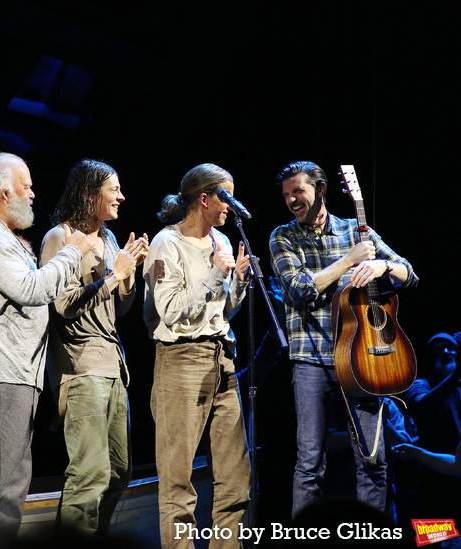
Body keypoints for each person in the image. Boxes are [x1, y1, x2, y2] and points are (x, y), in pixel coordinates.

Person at [0, 152, 93, 548]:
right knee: (6, 481)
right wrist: (72, 251)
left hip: (7, 372)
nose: (32, 193)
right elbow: (32, 290)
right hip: (2, 374)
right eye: (25, 185)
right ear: (3, 191)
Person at [268, 160, 418, 518]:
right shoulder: (283, 236)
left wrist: (382, 266)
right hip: (311, 360)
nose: (292, 200)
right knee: (309, 464)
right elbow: (299, 289)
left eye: (298, 191)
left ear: (320, 190)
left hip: (363, 359)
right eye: (287, 195)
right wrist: (347, 263)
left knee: (372, 459)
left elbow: (409, 274)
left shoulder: (358, 230)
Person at [39, 159, 148, 545]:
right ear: (90, 194)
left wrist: (129, 274)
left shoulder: (109, 238)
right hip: (80, 367)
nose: (121, 196)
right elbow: (63, 305)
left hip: (114, 367)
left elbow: (120, 308)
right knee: (90, 474)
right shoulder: (60, 237)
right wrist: (113, 275)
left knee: (119, 471)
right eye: (112, 189)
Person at [143, 163, 251, 548]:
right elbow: (170, 310)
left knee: (234, 478)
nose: (231, 207)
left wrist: (237, 282)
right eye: (226, 197)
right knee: (179, 480)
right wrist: (214, 276)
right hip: (181, 360)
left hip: (223, 357)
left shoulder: (222, 242)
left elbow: (223, 310)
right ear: (203, 199)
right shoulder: (166, 243)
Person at [402, 331, 461, 520]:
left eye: (451, 348)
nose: (445, 352)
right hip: (434, 477)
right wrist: (457, 373)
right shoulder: (420, 384)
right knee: (435, 538)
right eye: (438, 350)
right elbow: (422, 406)